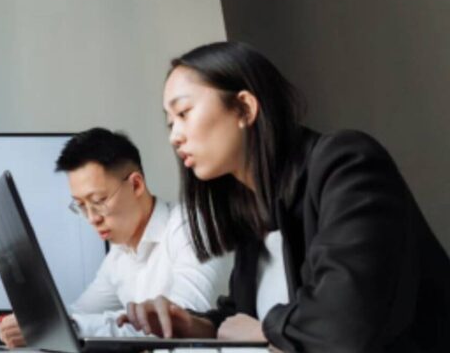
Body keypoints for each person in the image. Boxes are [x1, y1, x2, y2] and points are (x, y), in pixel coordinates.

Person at [121, 41, 450, 352]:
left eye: (183, 113)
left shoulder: (346, 164)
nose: (175, 137)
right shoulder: (255, 211)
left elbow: (344, 321)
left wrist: (265, 332)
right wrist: (198, 326)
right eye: (170, 123)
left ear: (244, 108)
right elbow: (243, 318)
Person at [0, 128, 231, 347]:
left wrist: (65, 327)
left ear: (136, 185)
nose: (92, 218)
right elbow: (79, 313)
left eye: (98, 201)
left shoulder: (191, 226)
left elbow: (181, 323)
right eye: (81, 205)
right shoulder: (118, 256)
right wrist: (35, 323)